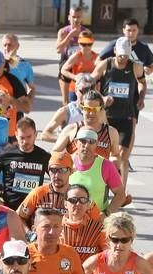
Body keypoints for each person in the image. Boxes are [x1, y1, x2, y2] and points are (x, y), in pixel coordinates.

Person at [92, 37, 144, 183]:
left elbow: (142, 83)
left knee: (122, 154)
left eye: (126, 55)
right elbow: (90, 83)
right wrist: (102, 98)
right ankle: (103, 183)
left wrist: (140, 97)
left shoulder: (135, 67)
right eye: (120, 55)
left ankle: (121, 190)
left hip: (127, 116)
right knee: (103, 153)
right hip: (106, 116)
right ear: (115, 51)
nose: (123, 58)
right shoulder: (105, 65)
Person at [18, 151, 100, 231]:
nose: (57, 175)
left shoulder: (80, 195)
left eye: (62, 170)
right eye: (53, 170)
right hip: (41, 241)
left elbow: (98, 224)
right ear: (48, 171)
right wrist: (29, 234)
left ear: (71, 171)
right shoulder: (38, 193)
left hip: (70, 242)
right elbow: (19, 216)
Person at [0, 117, 50, 210]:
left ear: (35, 135)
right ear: (16, 135)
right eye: (22, 138)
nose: (25, 142)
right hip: (10, 206)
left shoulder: (43, 156)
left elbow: (55, 174)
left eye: (29, 137)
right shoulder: (7, 153)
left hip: (34, 207)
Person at [69, 127, 127, 216]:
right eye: (83, 141)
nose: (87, 145)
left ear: (96, 144)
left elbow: (120, 195)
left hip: (97, 222)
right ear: (76, 142)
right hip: (71, 220)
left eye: (91, 142)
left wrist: (106, 214)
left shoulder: (106, 165)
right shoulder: (67, 162)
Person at [51, 90, 119, 162]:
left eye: (95, 109)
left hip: (99, 172)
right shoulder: (72, 129)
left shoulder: (111, 132)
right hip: (76, 172)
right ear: (82, 109)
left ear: (101, 109)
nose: (91, 113)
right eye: (88, 109)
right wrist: (71, 160)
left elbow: (116, 156)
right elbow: (54, 153)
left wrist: (112, 162)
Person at [61, 184, 107, 264]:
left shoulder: (97, 229)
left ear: (88, 204)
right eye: (73, 200)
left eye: (83, 200)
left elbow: (109, 255)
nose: (78, 204)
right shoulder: (56, 227)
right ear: (65, 204)